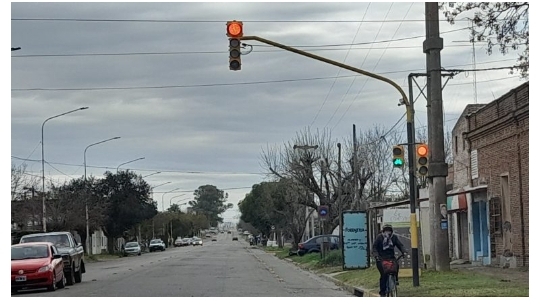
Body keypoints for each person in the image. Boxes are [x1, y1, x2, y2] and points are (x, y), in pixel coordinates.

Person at [371, 224, 407, 297]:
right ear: (383, 231)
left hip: (391, 257)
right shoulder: (379, 238)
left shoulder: (394, 238)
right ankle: (382, 292)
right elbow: (374, 248)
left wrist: (404, 252)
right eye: (386, 230)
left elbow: (400, 245)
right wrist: (376, 256)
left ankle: (395, 279)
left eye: (389, 230)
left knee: (396, 264)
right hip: (381, 259)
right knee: (383, 275)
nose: (388, 232)